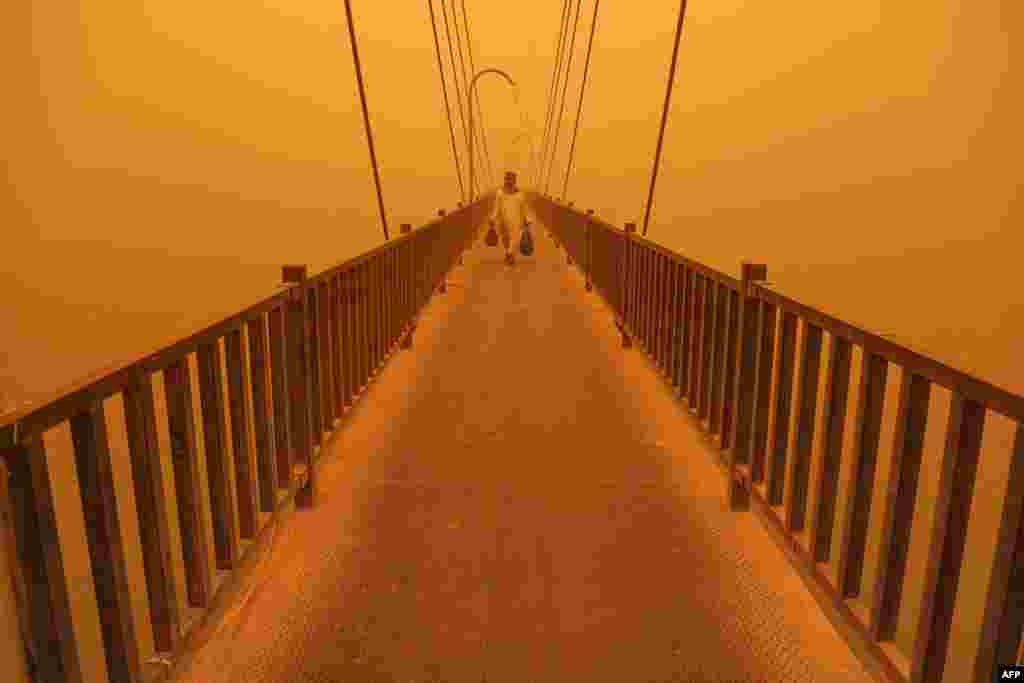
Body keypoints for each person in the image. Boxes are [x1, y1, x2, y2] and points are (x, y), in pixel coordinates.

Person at [489, 171, 529, 265]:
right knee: (505, 239)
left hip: (516, 221)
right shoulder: (500, 193)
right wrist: (492, 218)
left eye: (511, 179)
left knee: (515, 238)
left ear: (514, 181)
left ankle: (509, 255)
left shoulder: (520, 194)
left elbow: (523, 208)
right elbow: (496, 207)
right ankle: (509, 254)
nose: (508, 181)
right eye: (507, 179)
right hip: (502, 220)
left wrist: (527, 219)